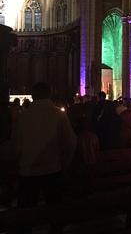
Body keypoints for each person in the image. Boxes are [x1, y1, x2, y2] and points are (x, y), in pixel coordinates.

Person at [14, 82, 77, 213]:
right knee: (54, 211)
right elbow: (71, 142)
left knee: (26, 213)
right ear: (50, 94)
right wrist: (64, 163)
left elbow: (16, 146)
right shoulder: (59, 115)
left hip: (28, 171)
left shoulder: (22, 116)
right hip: (53, 169)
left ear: (32, 95)